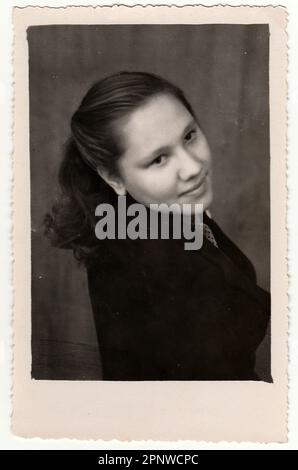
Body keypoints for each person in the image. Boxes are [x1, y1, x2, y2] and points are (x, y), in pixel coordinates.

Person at [44, 71, 271, 381]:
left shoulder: (152, 214)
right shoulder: (155, 264)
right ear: (113, 178)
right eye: (159, 159)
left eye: (189, 136)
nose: (192, 168)